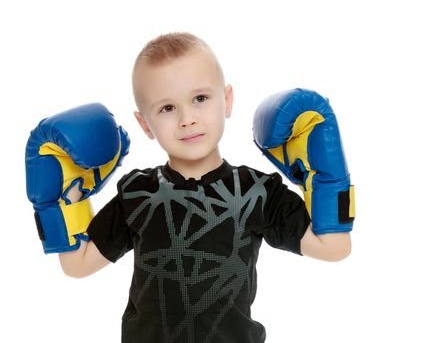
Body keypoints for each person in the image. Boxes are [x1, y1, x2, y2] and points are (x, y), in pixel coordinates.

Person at [46, 32, 352, 342]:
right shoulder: (137, 192)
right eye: (167, 108)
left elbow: (335, 248)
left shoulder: (259, 191)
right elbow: (78, 264)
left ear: (227, 100)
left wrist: (322, 180)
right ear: (144, 124)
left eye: (200, 99)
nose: (187, 119)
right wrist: (67, 193)